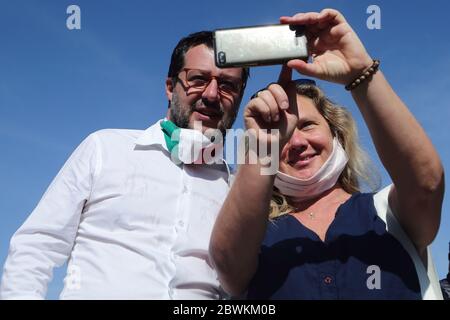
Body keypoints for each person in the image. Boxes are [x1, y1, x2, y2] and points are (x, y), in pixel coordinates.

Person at [209, 9, 445, 299]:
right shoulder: (257, 236)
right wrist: (263, 146)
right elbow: (227, 264)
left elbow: (426, 184)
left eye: (307, 125)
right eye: (282, 133)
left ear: (337, 134)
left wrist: (360, 73)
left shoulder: (388, 213)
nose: (295, 142)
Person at [0, 31, 249, 299]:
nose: (211, 94)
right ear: (170, 87)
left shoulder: (237, 188)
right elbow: (37, 245)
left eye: (227, 85)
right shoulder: (105, 148)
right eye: (197, 79)